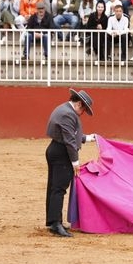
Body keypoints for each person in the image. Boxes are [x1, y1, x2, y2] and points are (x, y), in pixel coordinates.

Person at [45, 89, 95, 237]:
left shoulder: (63, 109)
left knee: (54, 187)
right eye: (84, 110)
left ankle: (54, 220)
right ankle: (55, 224)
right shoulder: (68, 114)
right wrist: (75, 162)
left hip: (56, 149)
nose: (83, 113)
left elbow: (71, 135)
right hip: (62, 153)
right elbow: (69, 140)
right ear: (80, 104)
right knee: (59, 188)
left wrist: (89, 138)